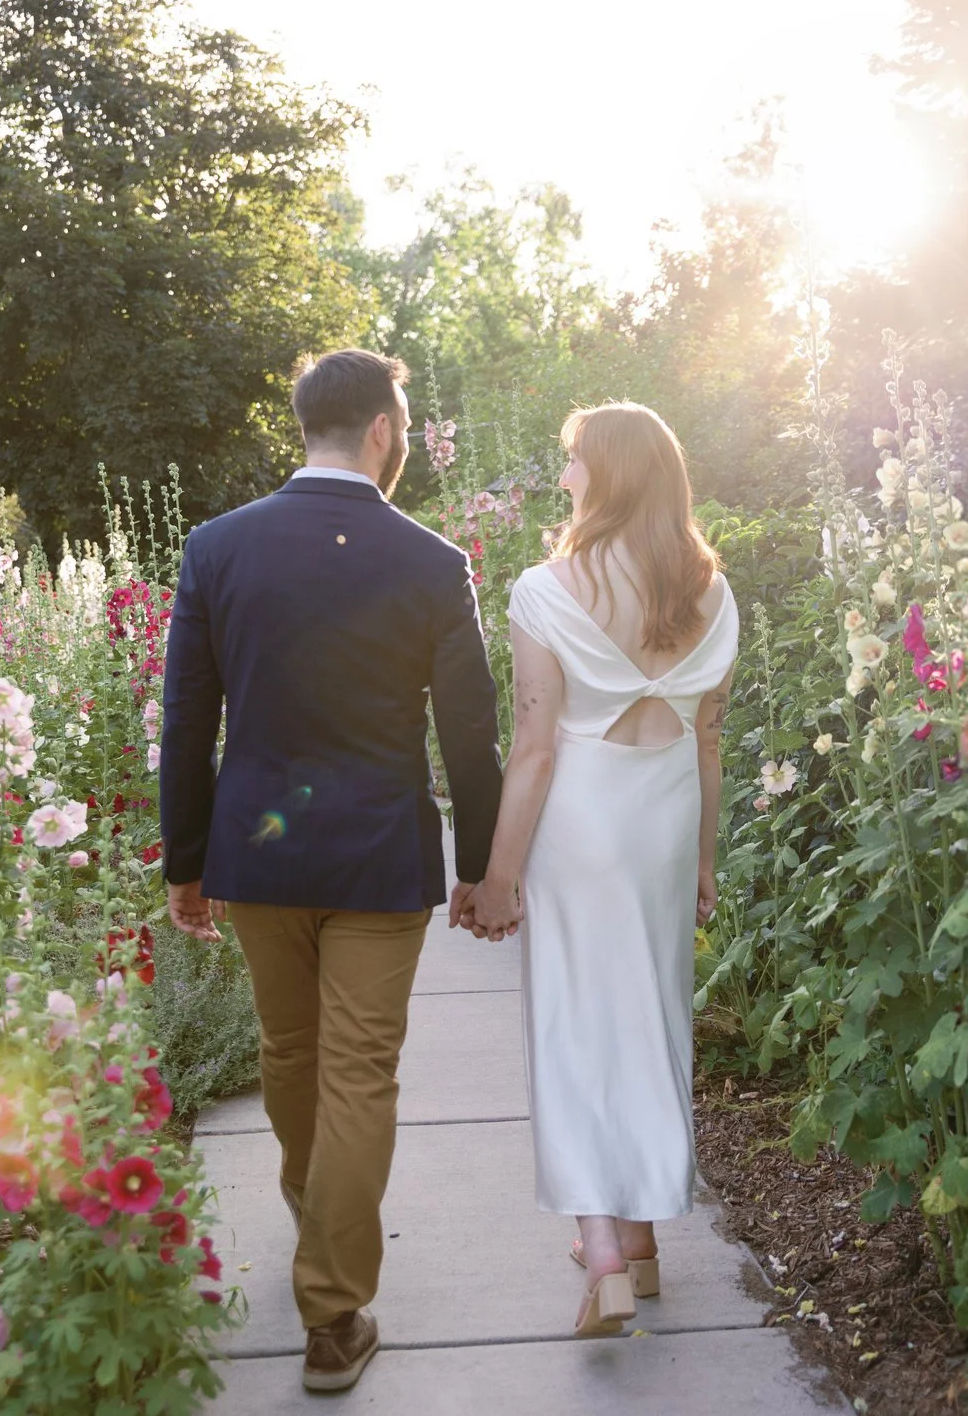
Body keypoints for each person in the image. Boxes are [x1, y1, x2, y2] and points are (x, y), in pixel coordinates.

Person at [158, 348, 505, 1393]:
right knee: (359, 1073)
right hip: (378, 856)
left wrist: (186, 859)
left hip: (256, 857)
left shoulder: (217, 549)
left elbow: (186, 720)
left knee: (290, 1056)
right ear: (385, 432)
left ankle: (325, 1245)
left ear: (305, 425)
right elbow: (471, 731)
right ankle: (333, 1307)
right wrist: (480, 866)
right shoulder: (432, 562)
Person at [461, 402, 737, 1339]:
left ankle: (605, 1256)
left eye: (574, 460)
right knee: (653, 1015)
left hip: (581, 823)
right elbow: (708, 741)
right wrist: (703, 859)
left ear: (609, 474)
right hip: (665, 822)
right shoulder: (711, 593)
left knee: (575, 1024)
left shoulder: (547, 589)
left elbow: (534, 748)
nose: (565, 475)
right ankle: (647, 1242)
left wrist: (499, 881)